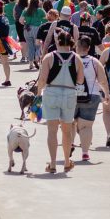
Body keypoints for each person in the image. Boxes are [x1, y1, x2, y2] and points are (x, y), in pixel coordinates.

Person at [35, 30, 85, 173]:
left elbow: (42, 80)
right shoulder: (76, 58)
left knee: (52, 131)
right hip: (69, 93)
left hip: (51, 92)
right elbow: (80, 80)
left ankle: (52, 163)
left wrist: (38, 94)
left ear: (57, 41)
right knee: (67, 131)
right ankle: (67, 162)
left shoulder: (49, 57)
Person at [73, 35, 109, 162]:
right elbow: (102, 81)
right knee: (86, 126)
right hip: (91, 96)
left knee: (70, 123)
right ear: (88, 48)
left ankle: (70, 144)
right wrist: (106, 94)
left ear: (77, 47)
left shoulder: (72, 59)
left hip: (72, 96)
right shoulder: (95, 61)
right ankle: (85, 153)